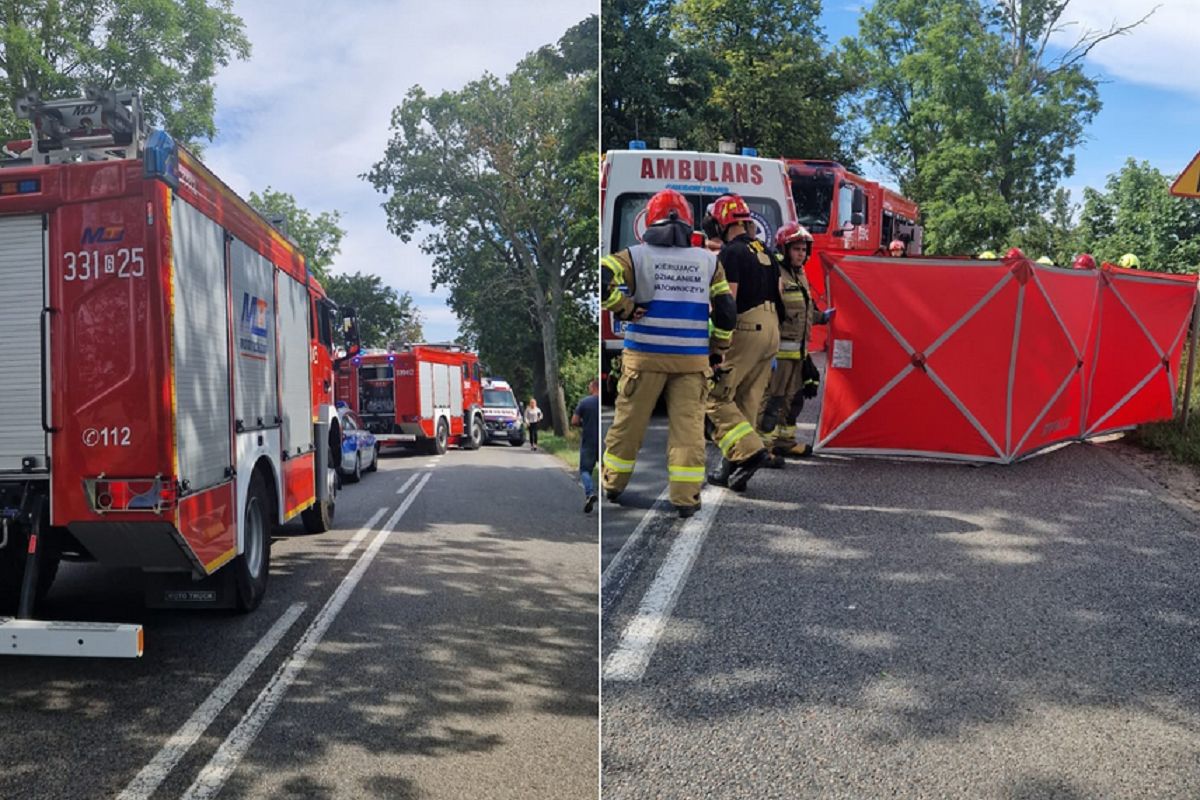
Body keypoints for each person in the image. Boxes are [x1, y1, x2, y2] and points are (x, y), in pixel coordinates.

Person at [601, 189, 736, 518]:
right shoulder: (708, 261)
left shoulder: (634, 256)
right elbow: (726, 311)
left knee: (629, 425)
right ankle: (686, 498)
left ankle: (613, 484)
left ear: (650, 220)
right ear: (689, 223)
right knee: (688, 430)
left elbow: (601, 279)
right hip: (692, 361)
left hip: (644, 358)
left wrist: (624, 307)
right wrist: (717, 349)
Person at [705, 194, 780, 492]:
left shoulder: (731, 253)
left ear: (722, 223)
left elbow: (728, 302)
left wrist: (717, 343)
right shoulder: (767, 252)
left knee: (714, 396)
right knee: (746, 399)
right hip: (772, 329)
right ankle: (732, 468)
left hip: (746, 327)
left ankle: (749, 452)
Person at [757, 222, 831, 463]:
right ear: (784, 249)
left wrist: (824, 317)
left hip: (798, 354)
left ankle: (784, 443)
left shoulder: (800, 274)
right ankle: (762, 448)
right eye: (796, 249)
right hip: (778, 354)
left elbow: (805, 310)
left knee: (792, 401)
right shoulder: (775, 273)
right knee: (772, 401)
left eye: (804, 249)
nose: (801, 254)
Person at [572, 379, 600, 513]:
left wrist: (585, 424)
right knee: (607, 468)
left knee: (585, 470)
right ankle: (611, 489)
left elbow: (575, 421)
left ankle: (590, 493)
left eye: (589, 387)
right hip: (604, 440)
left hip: (589, 440)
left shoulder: (585, 402)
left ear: (593, 387)